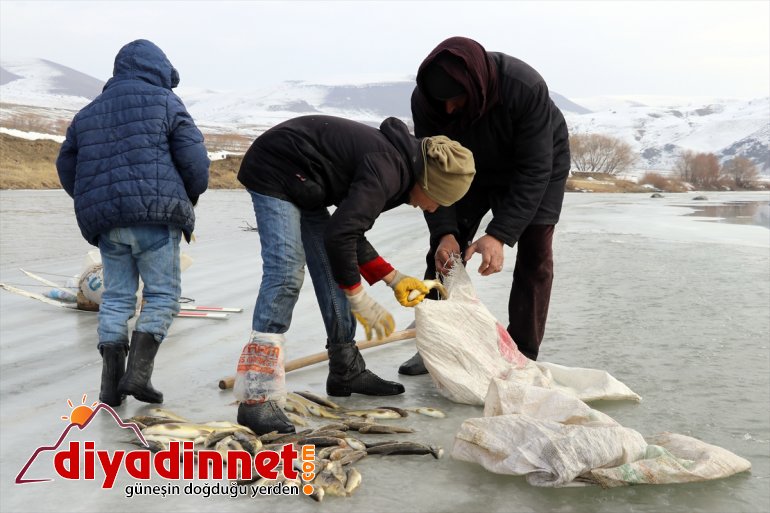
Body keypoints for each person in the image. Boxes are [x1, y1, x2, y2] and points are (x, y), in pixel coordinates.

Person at [234, 115, 475, 434]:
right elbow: (342, 234)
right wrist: (358, 296)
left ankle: (345, 369)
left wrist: (394, 278)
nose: (433, 210)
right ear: (428, 184)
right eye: (438, 202)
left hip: (307, 182)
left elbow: (347, 231)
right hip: (276, 168)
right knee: (286, 272)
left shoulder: (401, 172)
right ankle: (256, 396)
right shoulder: (388, 171)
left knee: (332, 270)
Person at [398, 36, 570, 375]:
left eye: (455, 100)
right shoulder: (427, 100)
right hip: (466, 169)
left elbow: (534, 170)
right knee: (444, 253)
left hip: (538, 167)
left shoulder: (524, 87)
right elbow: (433, 172)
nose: (448, 110)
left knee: (535, 254)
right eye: (441, 103)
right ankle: (435, 343)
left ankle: (522, 352)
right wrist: (445, 232)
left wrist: (500, 234)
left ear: (475, 88)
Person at [56, 39, 210, 407]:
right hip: (155, 218)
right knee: (162, 295)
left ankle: (110, 387)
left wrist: (95, 199)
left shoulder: (88, 112)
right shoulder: (167, 101)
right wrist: (188, 195)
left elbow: (66, 165)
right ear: (160, 70)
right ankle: (138, 376)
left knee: (116, 298)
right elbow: (195, 161)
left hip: (108, 223)